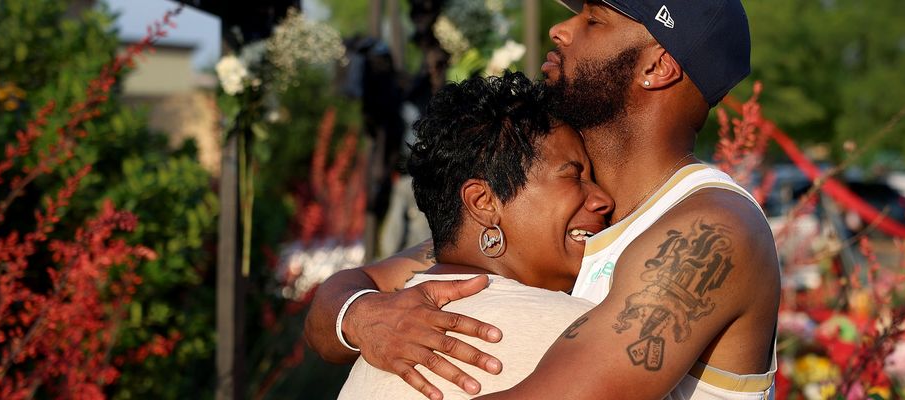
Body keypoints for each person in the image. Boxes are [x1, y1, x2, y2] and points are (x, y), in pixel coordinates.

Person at [305, 0, 780, 398]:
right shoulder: (565, 215)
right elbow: (347, 293)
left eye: (593, 20)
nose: (560, 30)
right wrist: (362, 316)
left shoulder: (709, 229)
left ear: (657, 66)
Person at [339, 71, 613, 399]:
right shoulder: (583, 334)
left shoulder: (381, 341)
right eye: (573, 176)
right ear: (483, 202)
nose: (603, 200)